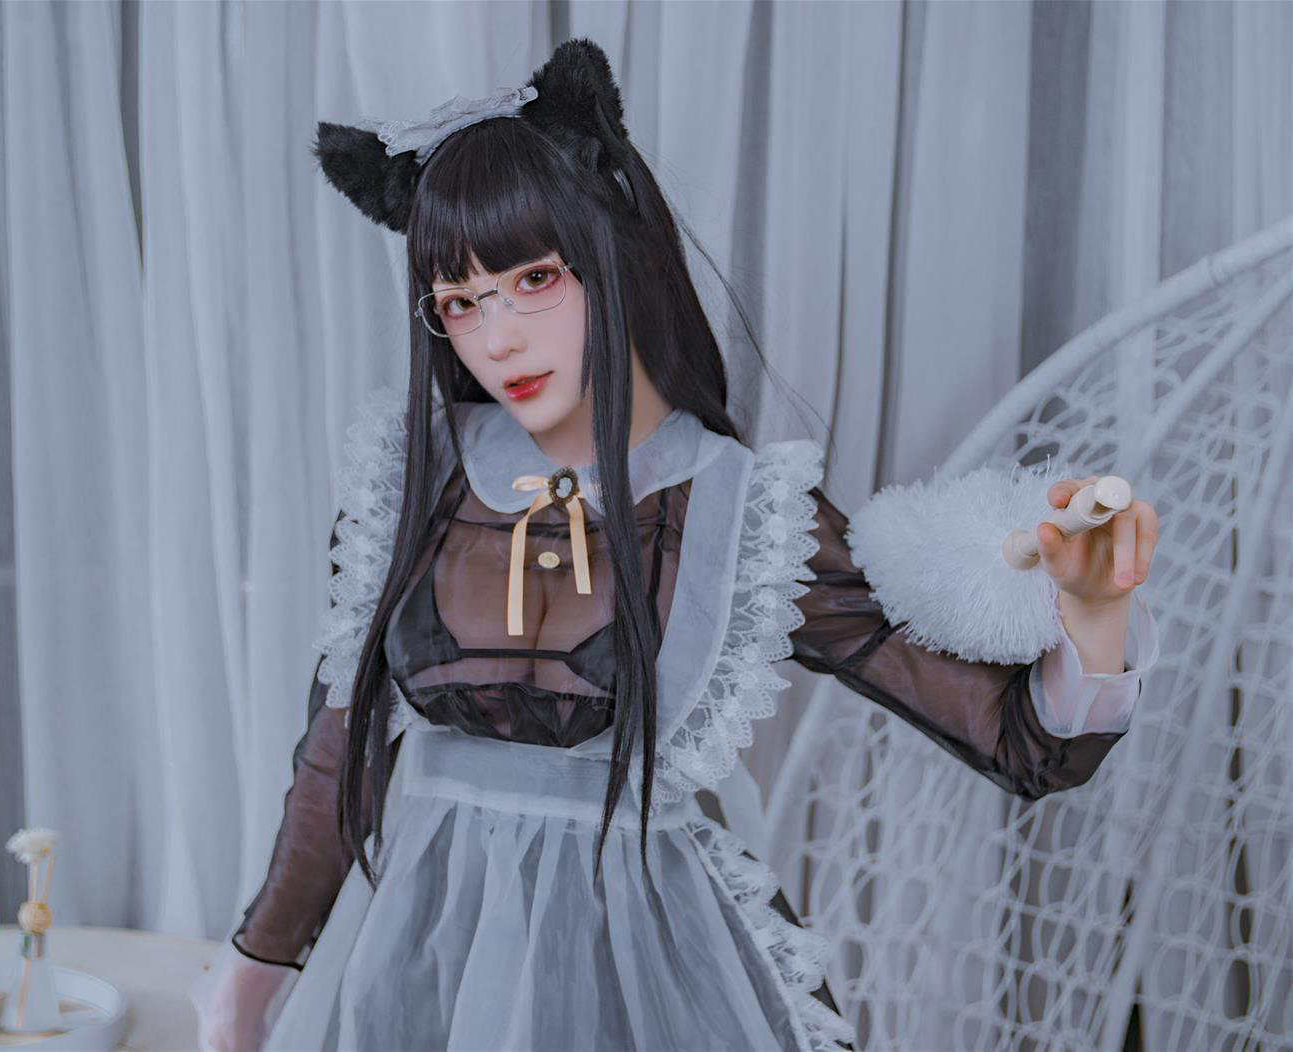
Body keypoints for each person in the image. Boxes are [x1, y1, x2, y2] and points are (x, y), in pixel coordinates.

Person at [189, 37, 1160, 1052]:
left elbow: (1018, 742)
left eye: (533, 278)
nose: (497, 337)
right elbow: (340, 757)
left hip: (639, 975)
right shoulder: (410, 475)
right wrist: (255, 974)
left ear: (610, 256)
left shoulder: (739, 510)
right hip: (419, 958)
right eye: (461, 301)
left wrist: (1095, 613)